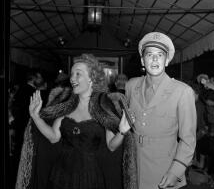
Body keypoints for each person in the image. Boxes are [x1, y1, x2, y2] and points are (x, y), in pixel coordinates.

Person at [16, 54, 138, 189]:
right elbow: (53, 137)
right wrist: (35, 116)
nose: (72, 78)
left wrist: (122, 131)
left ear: (92, 78)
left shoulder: (103, 105)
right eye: (72, 74)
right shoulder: (68, 104)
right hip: (61, 175)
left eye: (78, 74)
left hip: (89, 177)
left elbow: (111, 146)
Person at [125, 32, 197, 189]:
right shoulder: (131, 86)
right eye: (149, 54)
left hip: (165, 170)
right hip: (134, 167)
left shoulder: (182, 92)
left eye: (160, 55)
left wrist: (176, 171)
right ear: (143, 60)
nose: (155, 59)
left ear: (167, 61)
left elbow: (188, 139)